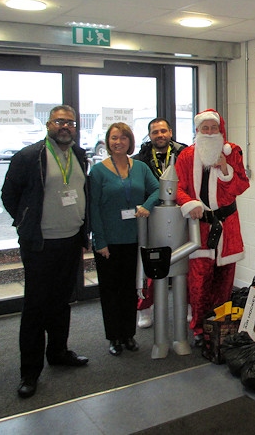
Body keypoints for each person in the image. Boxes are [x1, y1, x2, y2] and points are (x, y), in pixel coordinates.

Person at [1, 105, 90, 399]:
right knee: (36, 308)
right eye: (59, 122)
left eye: (70, 122)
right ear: (49, 124)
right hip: (40, 244)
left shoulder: (78, 155)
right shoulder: (30, 156)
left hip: (70, 241)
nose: (65, 127)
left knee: (62, 301)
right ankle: (30, 371)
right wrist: (25, 221)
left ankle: (59, 352)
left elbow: (81, 192)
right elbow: (9, 195)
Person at [174, 109, 249, 346]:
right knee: (199, 281)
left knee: (225, 280)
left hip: (228, 227)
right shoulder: (186, 156)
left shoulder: (232, 152)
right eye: (204, 128)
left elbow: (240, 186)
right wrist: (189, 203)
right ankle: (198, 328)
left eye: (213, 128)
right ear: (197, 131)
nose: (208, 132)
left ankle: (221, 326)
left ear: (220, 130)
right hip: (201, 227)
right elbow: (176, 188)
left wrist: (225, 168)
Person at [89, 122, 160, 356]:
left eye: (123, 138)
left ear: (130, 141)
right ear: (108, 142)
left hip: (134, 239)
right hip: (109, 241)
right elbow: (94, 209)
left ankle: (128, 334)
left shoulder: (139, 167)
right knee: (111, 291)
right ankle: (114, 337)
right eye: (113, 138)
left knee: (130, 289)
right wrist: (100, 242)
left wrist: (147, 206)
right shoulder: (98, 172)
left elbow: (159, 189)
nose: (118, 142)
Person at [132, 117, 188, 328]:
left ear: (171, 132)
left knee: (186, 263)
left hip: (180, 214)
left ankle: (189, 305)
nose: (160, 135)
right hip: (152, 215)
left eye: (163, 131)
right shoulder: (141, 158)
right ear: (150, 136)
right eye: (155, 132)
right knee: (149, 262)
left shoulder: (185, 154)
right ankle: (145, 308)